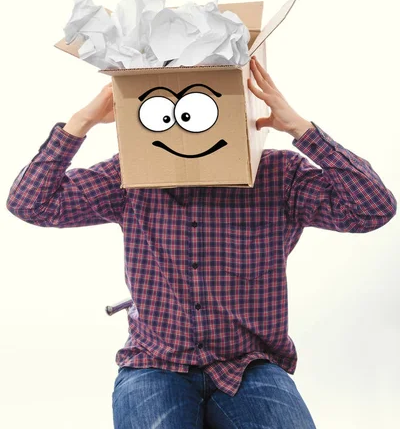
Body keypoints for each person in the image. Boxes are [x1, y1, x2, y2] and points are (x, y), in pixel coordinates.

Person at [6, 55, 397, 429]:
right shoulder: (132, 175)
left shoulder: (278, 175)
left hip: (247, 365)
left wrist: (302, 129)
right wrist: (83, 121)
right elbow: (32, 204)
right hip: (155, 364)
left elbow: (372, 210)